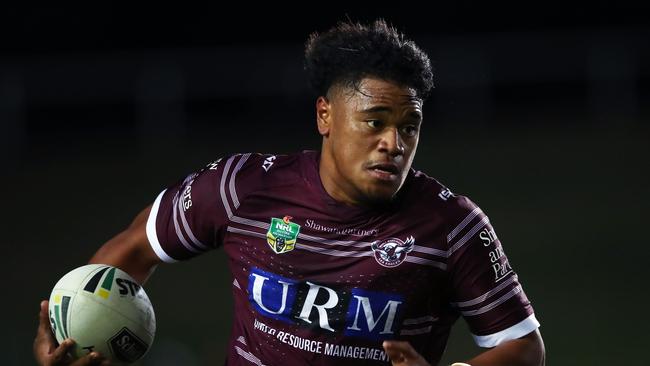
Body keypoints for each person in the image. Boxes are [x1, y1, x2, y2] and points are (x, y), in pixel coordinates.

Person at [34, 19, 545, 366]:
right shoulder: (245, 188)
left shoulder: (451, 227)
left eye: (409, 126)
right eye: (375, 121)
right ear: (326, 115)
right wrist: (70, 336)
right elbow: (132, 250)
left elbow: (522, 345)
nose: (394, 142)